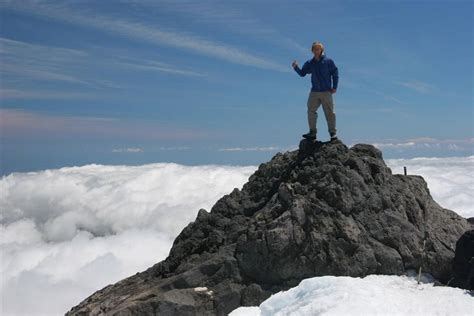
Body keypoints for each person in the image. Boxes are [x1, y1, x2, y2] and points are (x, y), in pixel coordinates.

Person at [292, 42, 339, 141]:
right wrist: (296, 68)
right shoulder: (310, 63)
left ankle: (332, 133)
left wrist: (334, 87)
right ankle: (312, 132)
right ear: (312, 50)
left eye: (318, 49)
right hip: (314, 92)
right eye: (315, 49)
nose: (317, 51)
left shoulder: (328, 61)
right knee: (310, 111)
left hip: (326, 91)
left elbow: (335, 73)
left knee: (330, 113)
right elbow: (302, 73)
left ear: (322, 50)